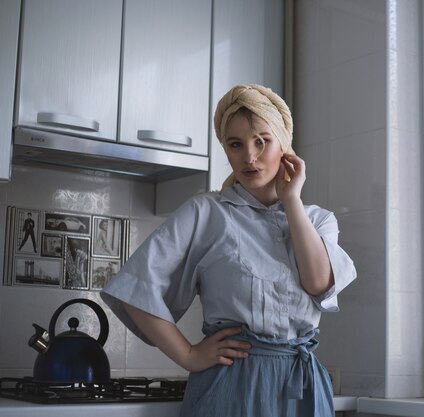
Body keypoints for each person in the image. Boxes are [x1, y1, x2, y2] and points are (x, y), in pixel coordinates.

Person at [100, 84, 357, 417]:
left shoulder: (318, 220)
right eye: (235, 145)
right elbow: (134, 288)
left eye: (261, 142)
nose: (248, 157)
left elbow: (319, 283)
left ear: (284, 145)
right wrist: (189, 355)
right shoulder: (205, 213)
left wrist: (291, 199)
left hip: (303, 389)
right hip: (230, 387)